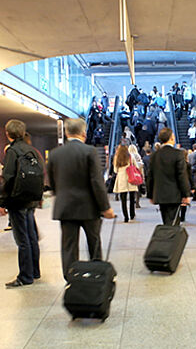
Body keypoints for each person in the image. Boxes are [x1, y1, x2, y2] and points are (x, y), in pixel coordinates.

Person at [47, 118, 116, 281]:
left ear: (66, 133)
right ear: (84, 133)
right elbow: (96, 182)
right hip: (89, 207)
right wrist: (105, 207)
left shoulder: (55, 154)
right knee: (94, 243)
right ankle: (97, 274)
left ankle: (71, 278)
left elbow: (52, 181)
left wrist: (62, 195)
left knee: (68, 246)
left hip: (65, 207)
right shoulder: (89, 151)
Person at [0, 119, 43, 288]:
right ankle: (35, 271)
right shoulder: (31, 150)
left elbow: (8, 178)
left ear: (7, 133)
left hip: (17, 200)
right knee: (31, 237)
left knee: (22, 239)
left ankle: (25, 276)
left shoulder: (12, 151)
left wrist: (3, 202)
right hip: (30, 199)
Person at [146, 127, 191, 225]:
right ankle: (171, 234)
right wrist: (186, 194)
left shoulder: (155, 155)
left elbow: (150, 176)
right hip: (175, 194)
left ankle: (166, 232)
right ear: (171, 138)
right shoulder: (178, 154)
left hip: (160, 194)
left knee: (166, 220)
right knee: (174, 222)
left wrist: (150, 194)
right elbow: (182, 175)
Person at [113, 145, 138, 223]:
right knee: (132, 197)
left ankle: (126, 216)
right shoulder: (130, 156)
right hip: (131, 177)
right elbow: (136, 166)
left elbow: (115, 170)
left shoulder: (116, 157)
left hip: (121, 178)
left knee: (123, 199)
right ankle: (132, 214)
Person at [128, 144, 144, 208]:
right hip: (138, 173)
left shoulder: (128, 156)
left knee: (131, 189)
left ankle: (132, 201)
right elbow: (141, 165)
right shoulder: (138, 156)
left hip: (131, 174)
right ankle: (137, 202)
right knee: (138, 189)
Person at [179, 149, 193, 223]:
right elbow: (190, 176)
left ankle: (177, 215)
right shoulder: (187, 165)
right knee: (184, 201)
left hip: (177, 184)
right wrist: (193, 186)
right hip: (185, 184)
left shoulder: (175, 164)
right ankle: (182, 217)